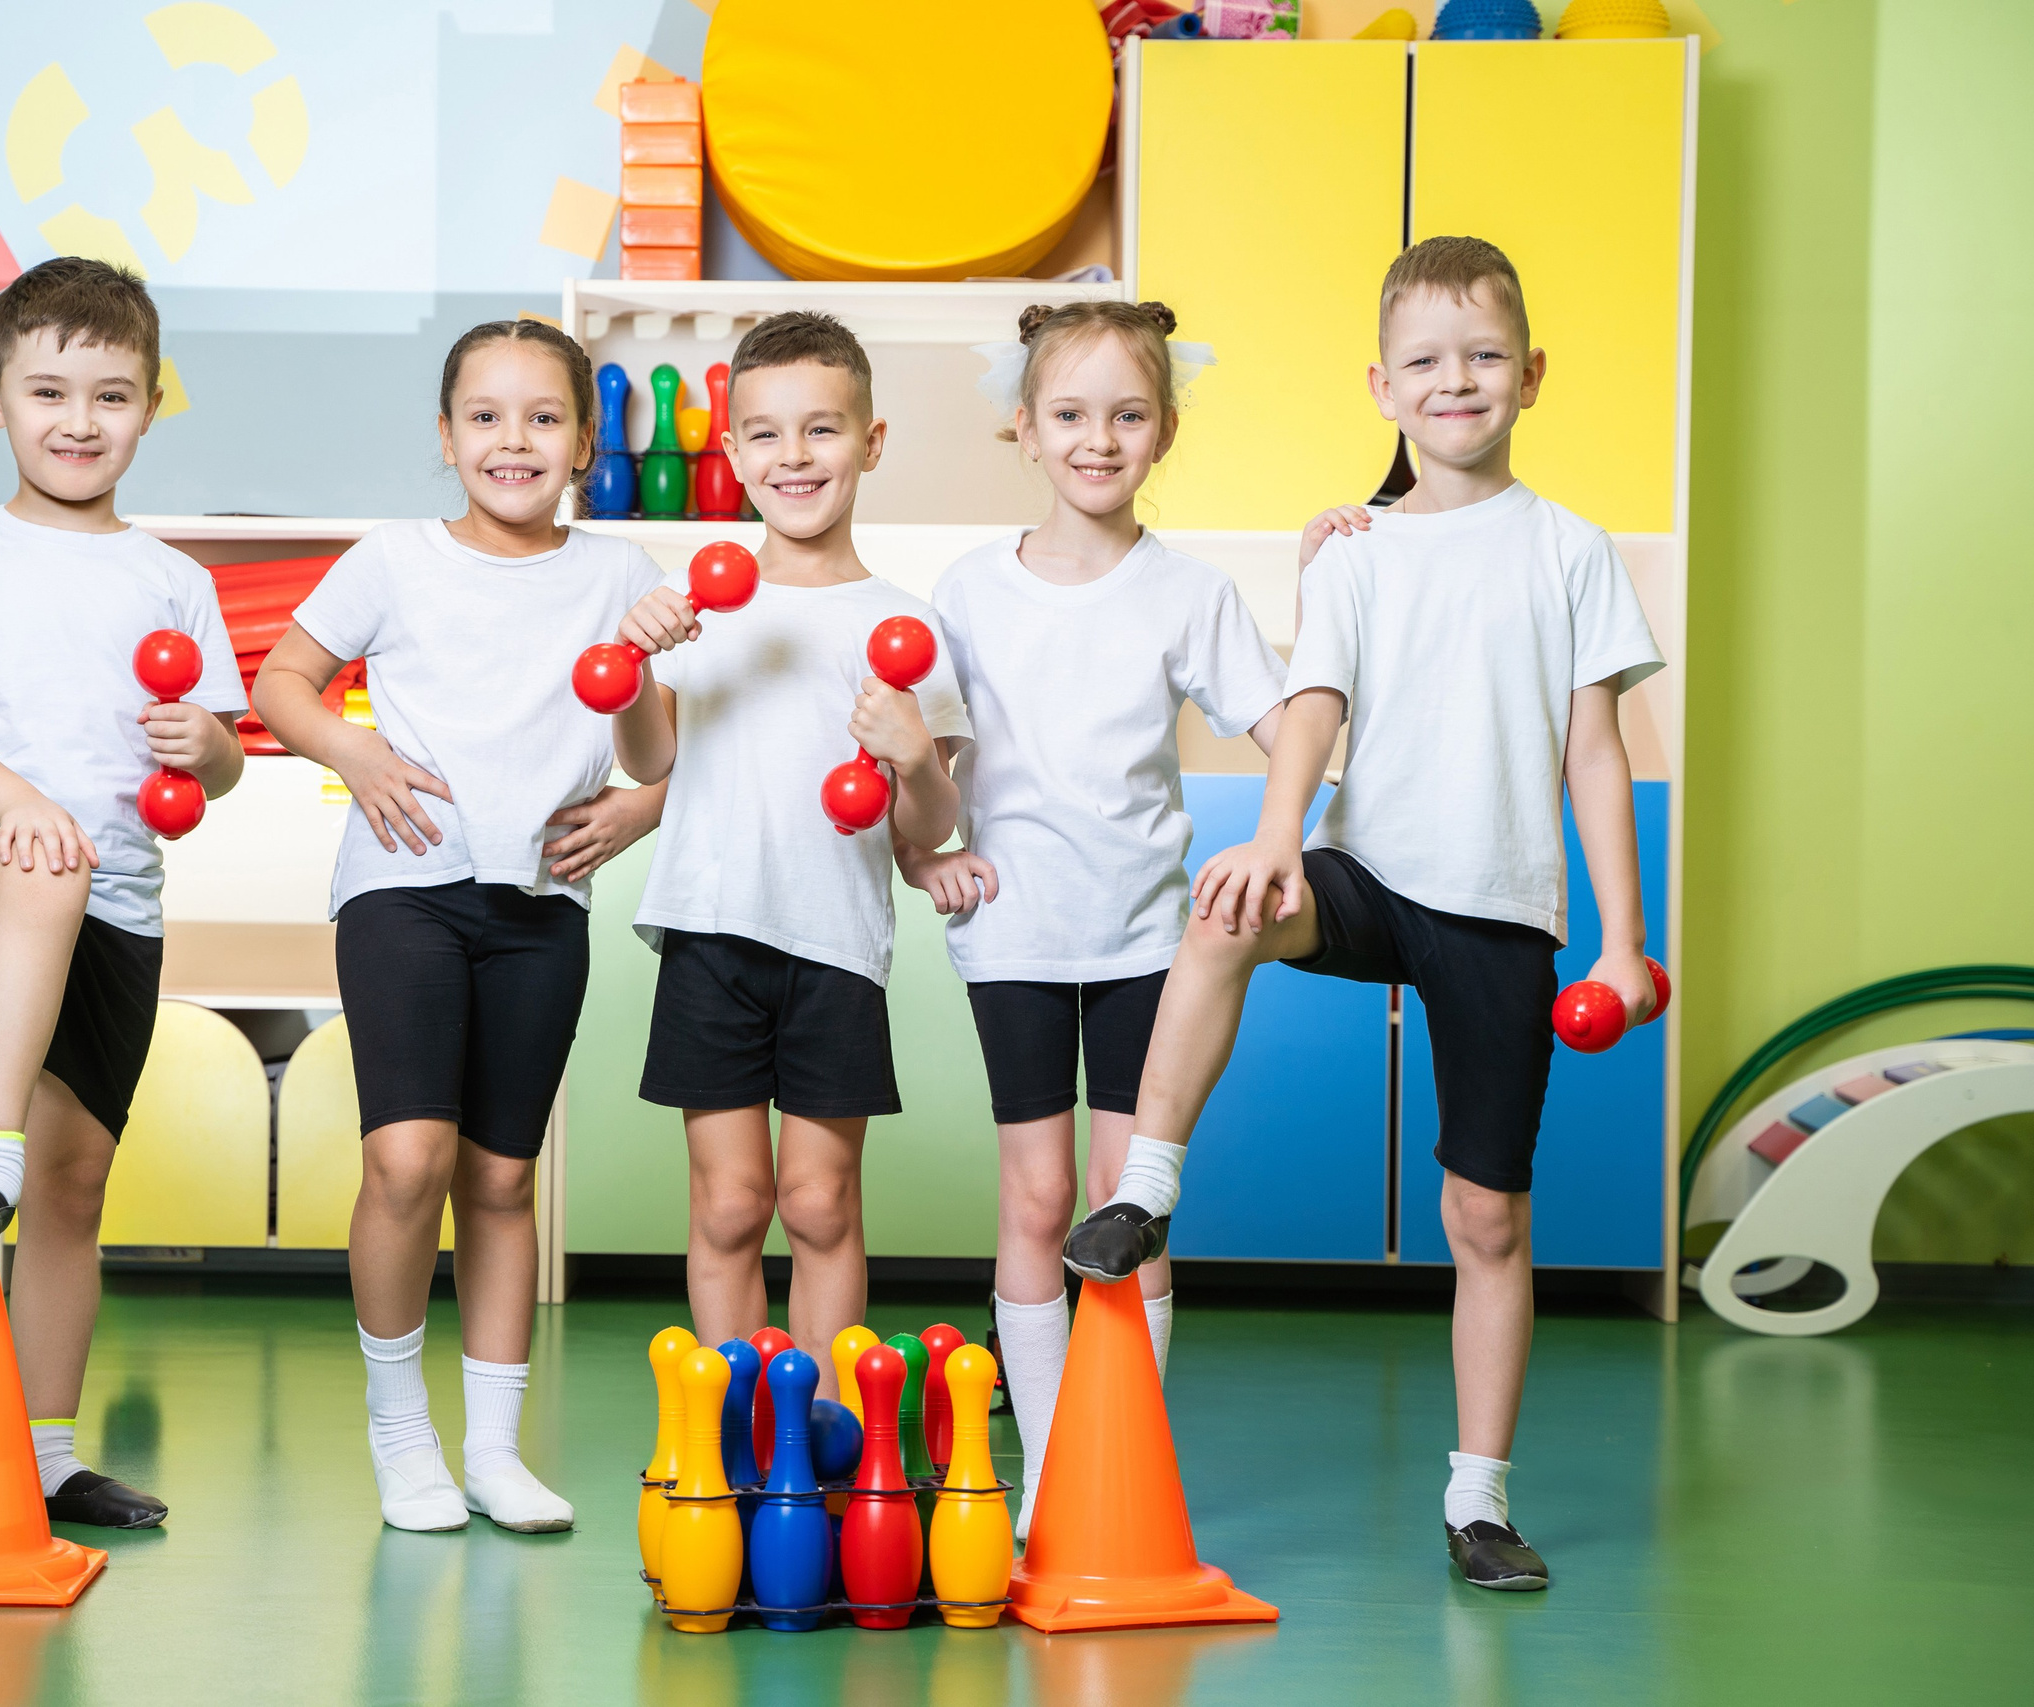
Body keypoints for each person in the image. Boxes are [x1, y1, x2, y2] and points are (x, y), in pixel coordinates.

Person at [1064, 237, 1664, 1591]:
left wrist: (1623, 941)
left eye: (1486, 354)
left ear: (1532, 374)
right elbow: (1316, 705)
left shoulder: (1572, 549)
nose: (1460, 380)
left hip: (1501, 909)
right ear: (1383, 386)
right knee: (1222, 909)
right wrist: (1273, 837)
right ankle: (1146, 1189)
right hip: (1369, 872)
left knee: (1486, 1219)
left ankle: (1479, 1500)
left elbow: (1595, 750)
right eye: (1429, 361)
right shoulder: (1353, 548)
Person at [252, 319, 664, 1534]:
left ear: (586, 443)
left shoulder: (624, 579)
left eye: (543, 417)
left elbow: (653, 755)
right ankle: (401, 1436)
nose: (513, 440)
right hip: (403, 888)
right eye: (485, 417)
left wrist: (635, 814)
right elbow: (282, 682)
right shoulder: (393, 560)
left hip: (542, 904)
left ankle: (492, 1449)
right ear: (445, 438)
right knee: (407, 1160)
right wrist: (355, 749)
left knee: (500, 1175)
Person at [898, 299, 1291, 1539]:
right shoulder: (967, 589)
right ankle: (1052, 1478)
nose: (1098, 438)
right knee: (1035, 1197)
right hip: (1013, 933)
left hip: (1142, 937)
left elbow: (1288, 728)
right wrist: (930, 852)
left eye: (1127, 414)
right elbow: (938, 766)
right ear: (1024, 427)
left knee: (1129, 1201)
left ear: (1164, 430)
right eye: (1071, 413)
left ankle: (1117, 1470)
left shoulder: (1187, 592)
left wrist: (1278, 834)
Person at [0, 257, 245, 1529]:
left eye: (111, 395)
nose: (78, 422)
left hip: (119, 906)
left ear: (149, 408)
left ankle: (44, 1459)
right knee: (50, 865)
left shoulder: (175, 579)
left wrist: (214, 751)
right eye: (48, 392)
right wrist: (21, 802)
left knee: (78, 1181)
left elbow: (228, 755)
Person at [610, 311, 972, 1398]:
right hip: (711, 931)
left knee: (820, 1201)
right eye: (764, 434)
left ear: (871, 442)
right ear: (731, 452)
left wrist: (914, 758)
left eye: (822, 430)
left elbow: (928, 828)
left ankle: (817, 1429)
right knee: (729, 1204)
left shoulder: (908, 623)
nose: (793, 457)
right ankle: (733, 1425)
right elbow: (646, 763)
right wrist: (633, 669)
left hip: (836, 941)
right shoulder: (699, 608)